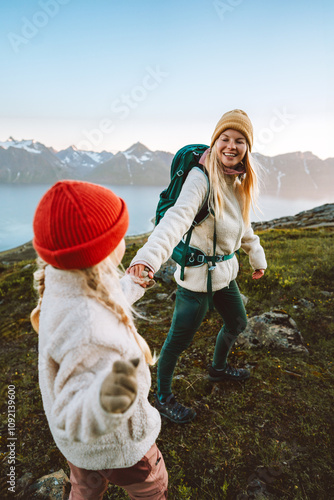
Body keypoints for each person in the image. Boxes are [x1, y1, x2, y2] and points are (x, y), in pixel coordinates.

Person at [127, 109, 267, 424]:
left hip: (225, 275)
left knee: (238, 323)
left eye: (239, 140)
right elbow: (176, 219)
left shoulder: (237, 180)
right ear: (215, 141)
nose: (231, 146)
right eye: (225, 139)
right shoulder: (200, 178)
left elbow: (242, 225)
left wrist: (255, 255)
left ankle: (217, 369)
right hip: (196, 279)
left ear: (247, 147)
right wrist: (147, 258)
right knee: (178, 341)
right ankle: (162, 397)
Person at [30, 180, 168, 500]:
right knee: (152, 487)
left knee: (85, 489)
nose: (123, 241)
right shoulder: (89, 328)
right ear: (101, 251)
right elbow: (75, 413)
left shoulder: (64, 279)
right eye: (119, 236)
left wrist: (131, 284)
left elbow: (102, 296)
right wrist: (108, 401)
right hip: (120, 447)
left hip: (81, 452)